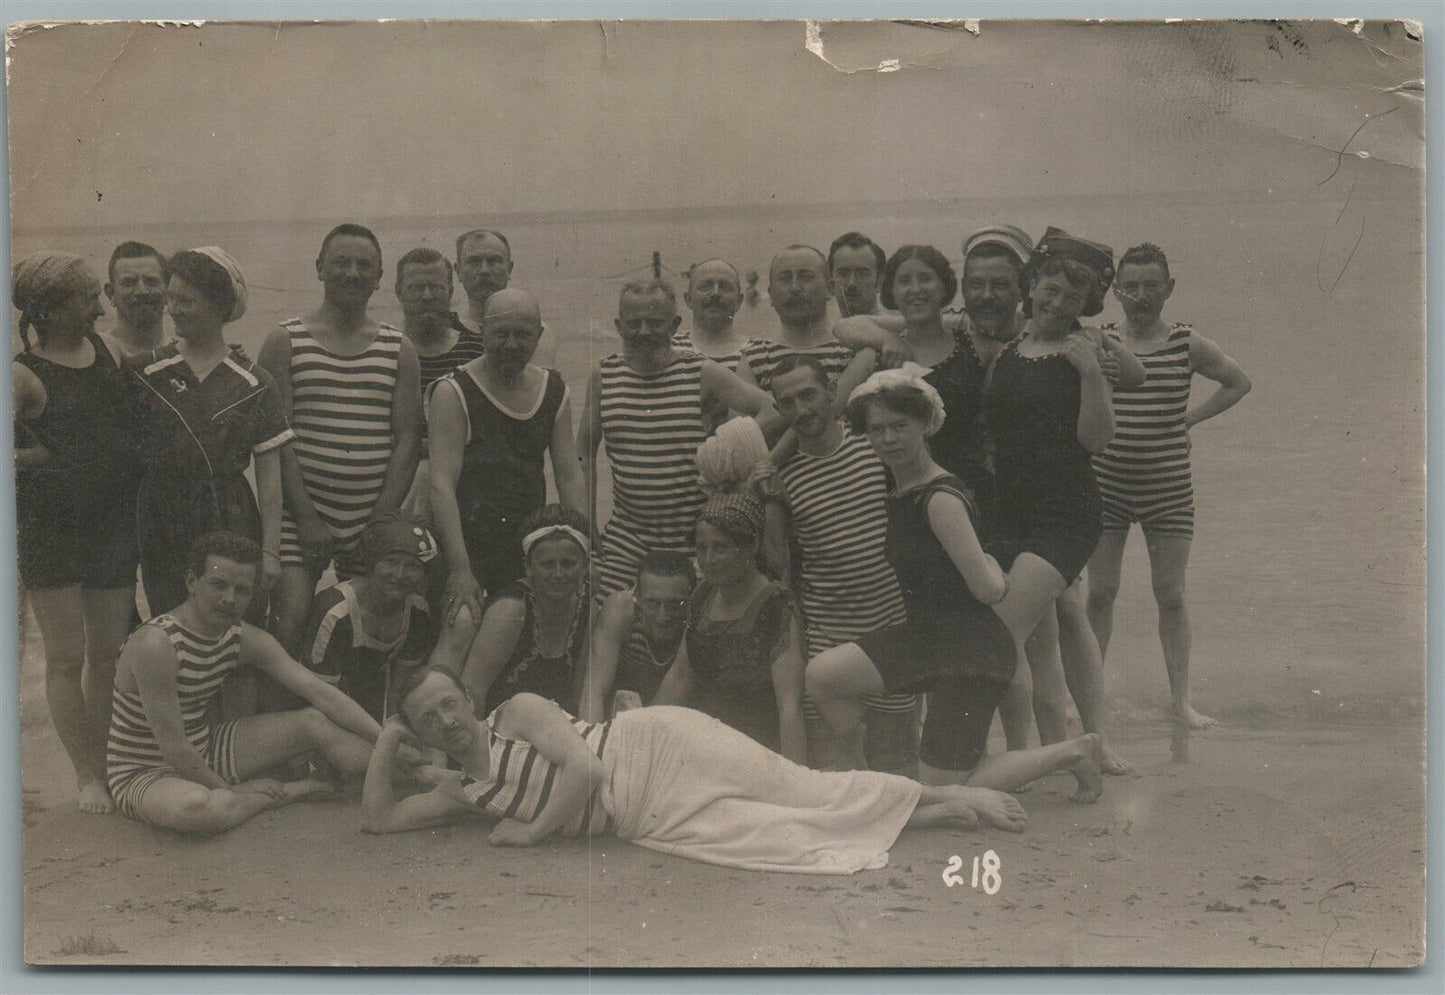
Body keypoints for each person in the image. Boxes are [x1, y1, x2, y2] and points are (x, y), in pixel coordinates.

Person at [362, 668, 1030, 876]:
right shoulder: (466, 788)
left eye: (450, 703)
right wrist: (386, 739)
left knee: (802, 788)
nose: (446, 720)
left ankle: (947, 791)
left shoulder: (517, 711)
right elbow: (381, 819)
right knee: (776, 833)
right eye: (427, 718)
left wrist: (531, 834)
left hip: (656, 749)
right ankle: (931, 811)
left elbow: (587, 769)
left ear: (469, 701)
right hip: (648, 815)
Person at [805, 369, 1104, 800]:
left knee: (938, 787)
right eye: (876, 429)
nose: (888, 439)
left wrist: (988, 564)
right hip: (929, 643)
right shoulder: (902, 489)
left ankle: (1074, 752)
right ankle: (861, 774)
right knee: (823, 675)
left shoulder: (939, 497)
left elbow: (987, 589)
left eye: (899, 426)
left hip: (972, 652)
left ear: (926, 424)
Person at [106, 531, 414, 834]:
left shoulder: (241, 637)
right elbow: (173, 749)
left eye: (241, 590)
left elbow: (321, 693)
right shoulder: (156, 644)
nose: (229, 599)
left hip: (206, 747)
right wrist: (234, 789)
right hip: (145, 772)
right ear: (192, 582)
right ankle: (279, 795)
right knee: (198, 808)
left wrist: (387, 740)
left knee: (314, 722)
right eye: (218, 585)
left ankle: (424, 774)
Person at [980, 229, 1130, 767]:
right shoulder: (1009, 350)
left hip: (1065, 516)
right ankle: (1051, 753)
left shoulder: (1083, 350)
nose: (1056, 303)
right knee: (1038, 647)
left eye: (1071, 298)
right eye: (1049, 289)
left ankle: (1038, 753)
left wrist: (1092, 370)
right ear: (1033, 283)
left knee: (1000, 634)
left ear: (1086, 304)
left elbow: (1096, 440)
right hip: (1010, 514)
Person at [1086, 243, 1252, 729]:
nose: (1141, 296)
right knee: (1101, 591)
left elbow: (1238, 382)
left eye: (1152, 286)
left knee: (1170, 593)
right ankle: (1089, 701)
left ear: (1169, 289)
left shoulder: (1186, 343)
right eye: (1131, 287)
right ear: (1115, 292)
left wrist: (1189, 420)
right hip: (1106, 484)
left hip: (1168, 487)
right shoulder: (1101, 340)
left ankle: (1179, 703)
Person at [12, 251, 141, 814]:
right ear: (54, 307)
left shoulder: (110, 350)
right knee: (66, 657)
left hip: (112, 524)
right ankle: (86, 776)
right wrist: (34, 458)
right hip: (51, 532)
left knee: (108, 653)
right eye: (89, 296)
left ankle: (112, 767)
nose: (101, 304)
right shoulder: (21, 374)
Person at [258, 223, 422, 655]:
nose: (352, 273)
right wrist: (308, 518)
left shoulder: (397, 347)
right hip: (301, 516)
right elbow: (278, 439)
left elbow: (407, 440)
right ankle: (289, 720)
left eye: (364, 265)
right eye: (340, 263)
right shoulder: (285, 340)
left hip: (371, 517)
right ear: (319, 269)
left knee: (371, 631)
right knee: (290, 626)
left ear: (380, 276)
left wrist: (382, 518)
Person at [764, 355, 917, 774]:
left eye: (809, 395)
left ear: (832, 391)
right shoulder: (784, 478)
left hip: (892, 627)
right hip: (829, 638)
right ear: (778, 410)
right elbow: (781, 565)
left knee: (899, 777)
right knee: (835, 777)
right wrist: (769, 497)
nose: (801, 410)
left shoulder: (874, 446)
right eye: (788, 402)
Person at [577, 278, 773, 597]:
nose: (643, 332)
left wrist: (727, 456)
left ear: (675, 324)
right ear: (618, 325)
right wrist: (586, 524)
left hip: (695, 539)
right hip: (626, 540)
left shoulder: (700, 372)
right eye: (633, 323)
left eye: (655, 323)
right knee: (607, 617)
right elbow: (583, 457)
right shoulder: (604, 376)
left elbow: (770, 408)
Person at [127, 247, 291, 621]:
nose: (172, 309)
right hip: (162, 517)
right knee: (171, 625)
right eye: (170, 299)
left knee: (232, 625)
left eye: (185, 301)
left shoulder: (254, 382)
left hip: (230, 516)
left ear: (220, 305)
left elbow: (269, 477)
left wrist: (270, 553)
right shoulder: (144, 372)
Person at [428, 287, 586, 623]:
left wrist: (583, 551)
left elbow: (570, 476)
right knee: (462, 625)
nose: (511, 345)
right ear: (482, 331)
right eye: (500, 333)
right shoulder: (453, 390)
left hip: (523, 544)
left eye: (522, 335)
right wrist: (460, 570)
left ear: (539, 335)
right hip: (464, 543)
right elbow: (440, 484)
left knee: (536, 624)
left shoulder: (554, 391)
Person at [652, 493, 807, 765]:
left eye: (721, 547)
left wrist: (794, 785)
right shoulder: (703, 596)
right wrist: (643, 737)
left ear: (752, 546)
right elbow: (678, 679)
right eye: (702, 548)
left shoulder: (777, 606)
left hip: (760, 753)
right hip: (708, 747)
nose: (708, 559)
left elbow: (790, 708)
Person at [453, 506, 592, 716]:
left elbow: (580, 693)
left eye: (568, 564)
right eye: (547, 564)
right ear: (528, 567)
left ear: (585, 566)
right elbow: (472, 692)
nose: (558, 574)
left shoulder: (587, 607)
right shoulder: (511, 609)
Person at [301, 513, 441, 722]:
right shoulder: (336, 611)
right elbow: (323, 697)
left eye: (413, 566)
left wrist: (394, 732)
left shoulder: (417, 610)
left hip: (368, 694)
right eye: (391, 562)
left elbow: (400, 688)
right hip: (321, 707)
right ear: (372, 563)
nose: (400, 574)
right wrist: (379, 740)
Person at [580, 551, 695, 722]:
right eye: (651, 603)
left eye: (674, 605)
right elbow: (594, 690)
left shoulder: (698, 617)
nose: (662, 617)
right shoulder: (621, 608)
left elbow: (676, 686)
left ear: (692, 599)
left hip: (668, 719)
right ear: (637, 597)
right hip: (616, 717)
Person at [737, 246, 856, 393]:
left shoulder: (851, 352)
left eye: (806, 277)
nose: (794, 287)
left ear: (830, 288)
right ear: (771, 294)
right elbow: (740, 417)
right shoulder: (753, 359)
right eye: (784, 279)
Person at [452, 228, 557, 368]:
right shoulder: (446, 330)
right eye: (474, 262)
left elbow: (537, 387)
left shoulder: (534, 331)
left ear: (509, 269)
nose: (484, 270)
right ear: (458, 271)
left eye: (493, 261)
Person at [677, 258, 750, 435]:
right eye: (705, 286)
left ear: (739, 301)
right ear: (688, 299)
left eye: (725, 287)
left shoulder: (758, 353)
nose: (715, 293)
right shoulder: (669, 350)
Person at [103, 241, 168, 356]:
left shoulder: (183, 356)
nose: (142, 291)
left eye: (151, 281)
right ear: (111, 293)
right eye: (129, 282)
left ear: (168, 291)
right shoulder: (98, 354)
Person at [827, 231, 886, 319]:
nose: (851, 283)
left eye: (862, 274)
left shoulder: (899, 332)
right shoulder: (818, 331)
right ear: (831, 284)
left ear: (879, 282)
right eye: (843, 274)